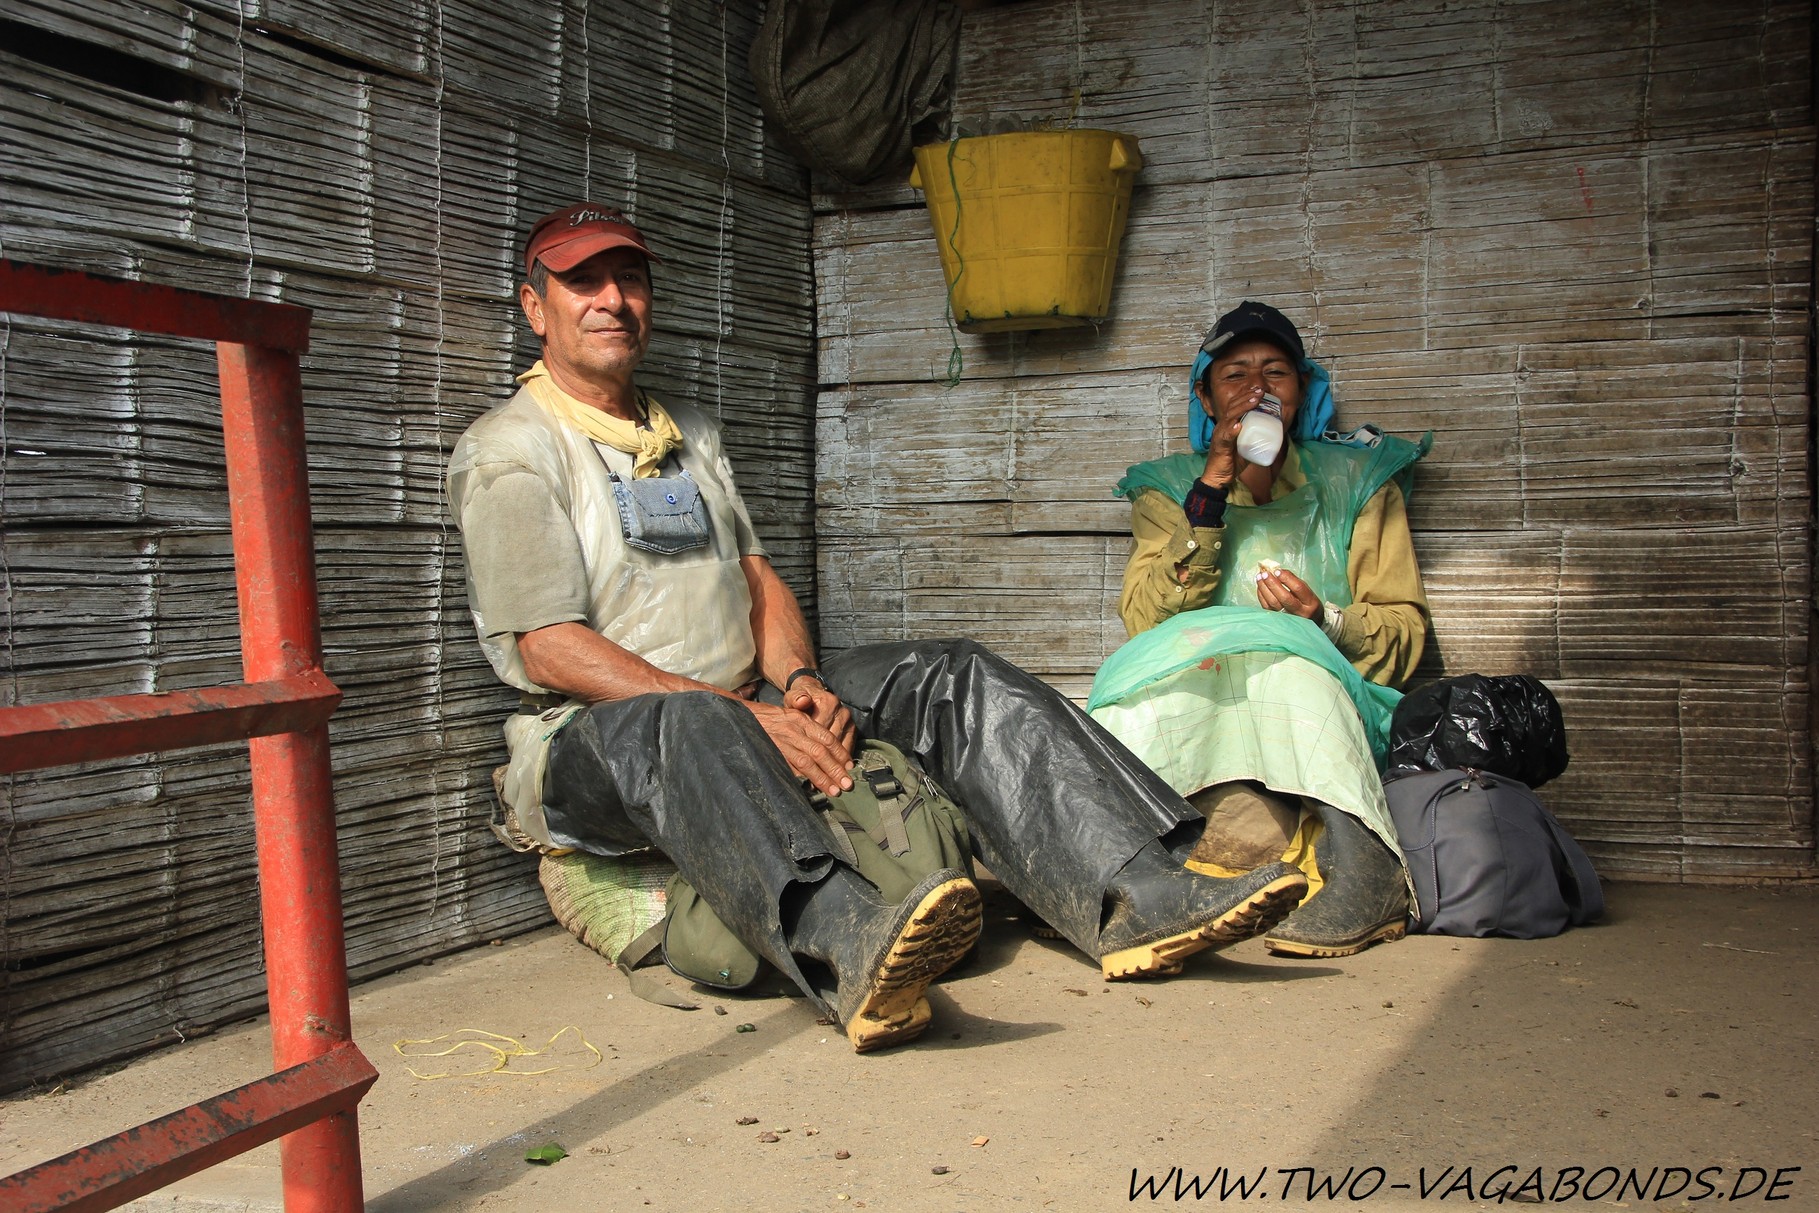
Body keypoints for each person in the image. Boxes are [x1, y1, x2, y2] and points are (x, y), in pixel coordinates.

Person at [446, 205, 1309, 1053]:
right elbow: (546, 644)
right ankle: (851, 946)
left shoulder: (686, 434)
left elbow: (757, 582)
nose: (611, 299)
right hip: (596, 739)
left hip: (742, 699)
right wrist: (744, 715)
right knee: (694, 721)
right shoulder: (512, 449)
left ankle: (1136, 890)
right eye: (582, 281)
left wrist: (798, 684)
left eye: (628, 279)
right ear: (536, 308)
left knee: (947, 673)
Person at [1088, 301, 1430, 958]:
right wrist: (1210, 489)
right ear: (1205, 398)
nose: (1256, 391)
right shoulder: (1166, 487)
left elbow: (1404, 633)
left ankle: (1365, 868)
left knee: (1290, 661)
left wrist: (1320, 621)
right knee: (1136, 695)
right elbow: (1147, 623)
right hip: (1210, 709)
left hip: (1316, 714)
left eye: (1275, 372)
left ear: (1302, 392)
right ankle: (1116, 872)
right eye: (1234, 376)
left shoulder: (1358, 480)